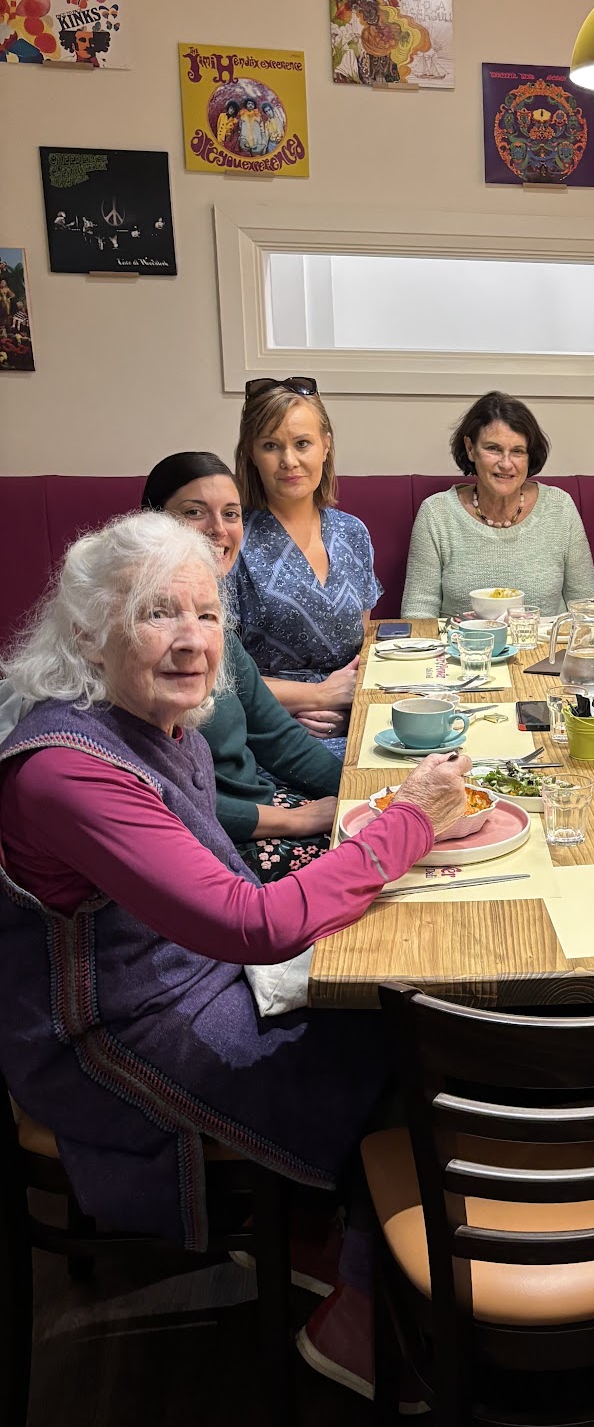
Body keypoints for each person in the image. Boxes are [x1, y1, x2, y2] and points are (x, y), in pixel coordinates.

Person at [0, 510, 467, 1257]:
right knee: (404, 1038)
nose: (193, 640)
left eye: (208, 614)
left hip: (199, 973)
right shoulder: (67, 772)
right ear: (88, 635)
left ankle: (334, 1230)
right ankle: (354, 1276)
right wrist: (408, 821)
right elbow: (251, 923)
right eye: (157, 613)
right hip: (108, 1034)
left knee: (403, 997)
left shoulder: (156, 720)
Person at [141, 451, 342, 881]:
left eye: (231, 513)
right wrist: (297, 821)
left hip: (267, 811)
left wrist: (367, 789)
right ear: (152, 523)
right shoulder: (139, 644)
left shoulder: (217, 630)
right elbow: (164, 796)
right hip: (215, 845)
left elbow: (280, 740)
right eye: (194, 512)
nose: (218, 529)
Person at [228, 377, 378, 756]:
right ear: (250, 454)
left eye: (302, 444)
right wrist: (316, 696)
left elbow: (362, 649)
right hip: (266, 733)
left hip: (355, 721)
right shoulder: (231, 541)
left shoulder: (353, 533)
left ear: (326, 446)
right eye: (270, 446)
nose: (289, 461)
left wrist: (350, 707)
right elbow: (218, 676)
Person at [401, 391, 594, 618]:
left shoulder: (560, 507)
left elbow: (588, 610)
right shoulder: (436, 513)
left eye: (517, 451)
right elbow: (417, 614)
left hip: (547, 642)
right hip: (461, 642)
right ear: (470, 449)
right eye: (493, 449)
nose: (506, 464)